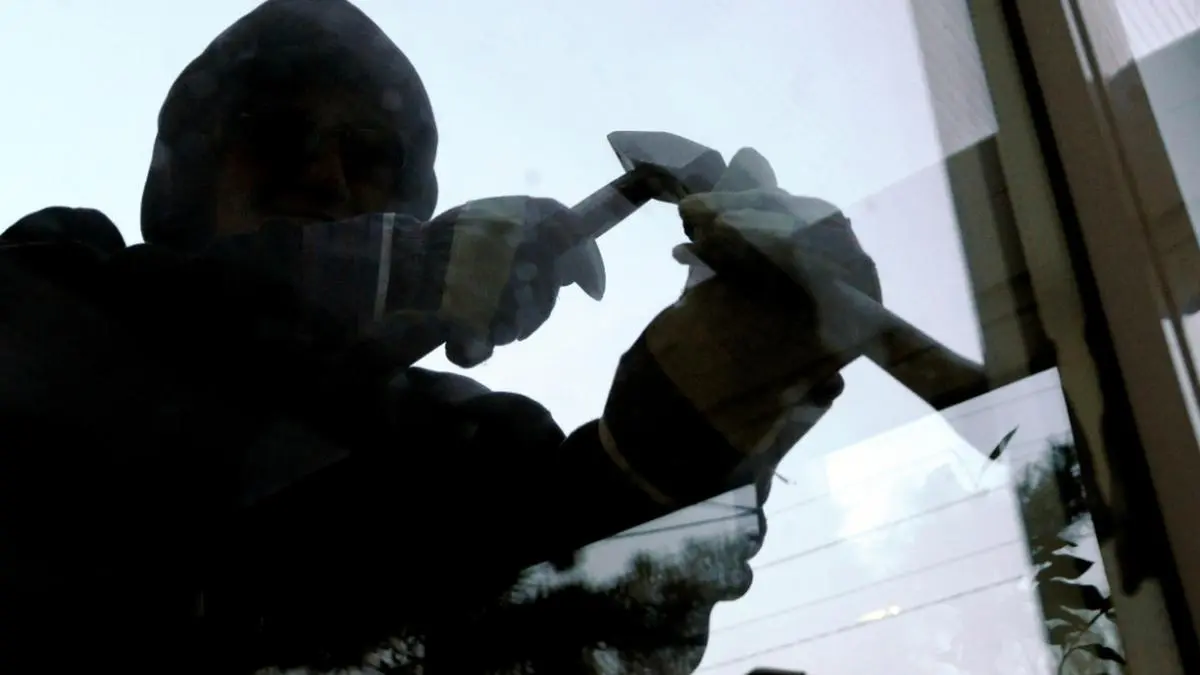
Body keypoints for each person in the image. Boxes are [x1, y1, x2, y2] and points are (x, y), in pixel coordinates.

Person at [0, 0, 880, 672]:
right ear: (192, 171)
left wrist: (702, 427)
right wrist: (387, 271)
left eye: (371, 155)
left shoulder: (467, 445)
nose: (326, 173)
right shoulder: (58, 278)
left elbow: (592, 633)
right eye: (277, 136)